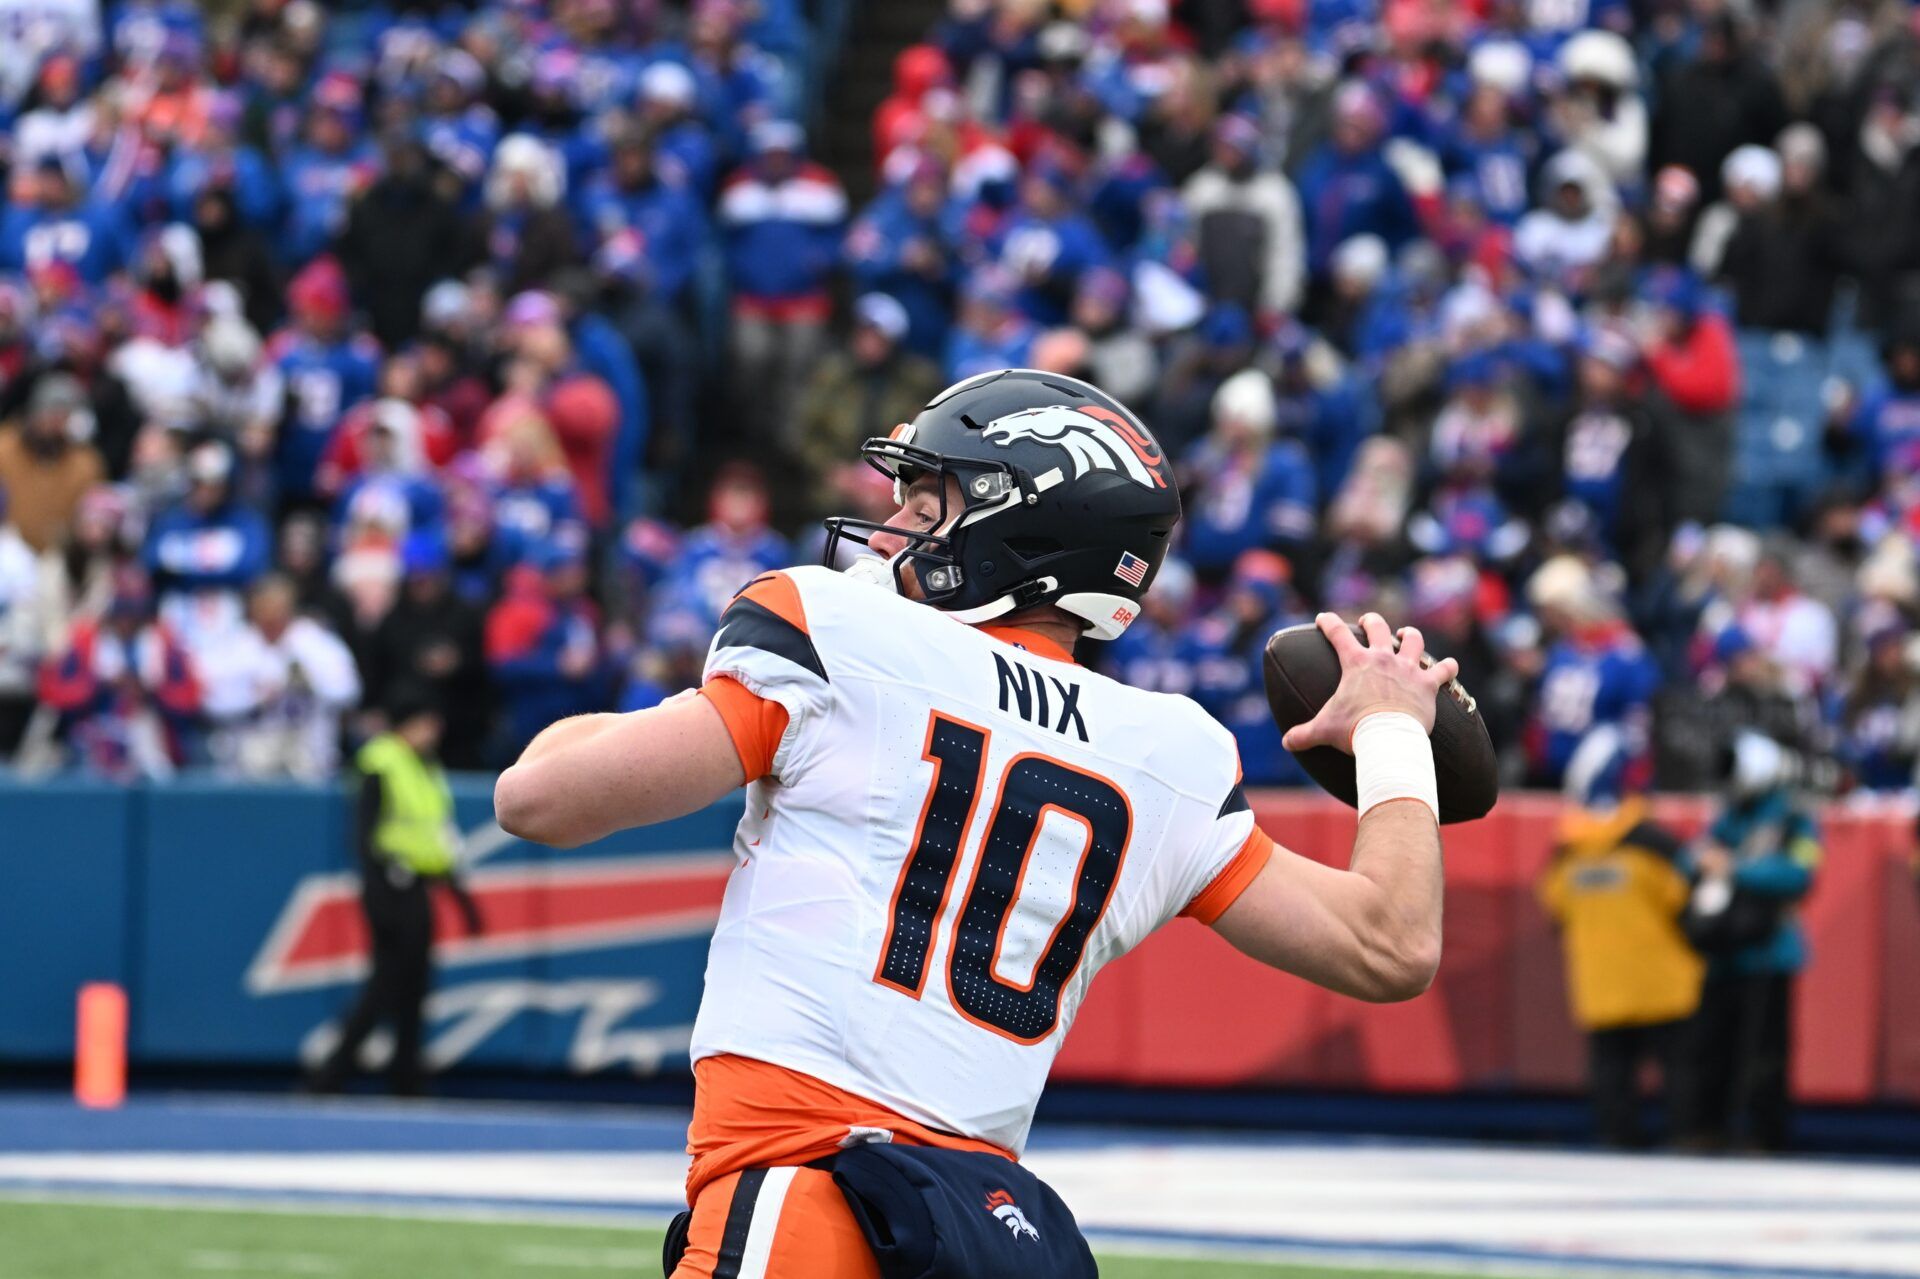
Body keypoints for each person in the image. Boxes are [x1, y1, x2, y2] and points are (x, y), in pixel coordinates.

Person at [496, 370, 1455, 1278]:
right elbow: (1389, 944)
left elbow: (538, 798)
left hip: (803, 1198)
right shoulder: (1169, 754)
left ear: (1018, 527)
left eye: (926, 506)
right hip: (977, 1233)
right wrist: (1391, 733)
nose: (888, 535)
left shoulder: (834, 633)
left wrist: (717, 694)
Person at [310, 686, 482, 1097]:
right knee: (385, 985)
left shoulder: (425, 766)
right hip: (390, 884)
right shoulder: (381, 761)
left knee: (415, 985)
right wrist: (380, 889)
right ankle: (330, 1077)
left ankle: (406, 1079)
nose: (434, 730)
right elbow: (364, 834)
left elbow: (438, 840)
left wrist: (463, 901)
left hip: (419, 887)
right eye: (427, 721)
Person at [1538, 727, 1702, 1149]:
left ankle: (1617, 1141)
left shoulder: (1566, 851)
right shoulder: (1655, 845)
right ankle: (1687, 1138)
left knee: (1611, 1072)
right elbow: (1688, 904)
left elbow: (1556, 908)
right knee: (1681, 1070)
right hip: (1662, 982)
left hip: (1600, 983)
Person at [1680, 732, 1822, 1153]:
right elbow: (1691, 857)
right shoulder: (1730, 813)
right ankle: (1707, 1130)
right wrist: (1703, 861)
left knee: (1765, 1055)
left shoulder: (1794, 817)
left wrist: (1734, 868)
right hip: (1723, 952)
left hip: (1769, 953)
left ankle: (1764, 1135)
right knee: (1710, 1051)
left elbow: (1800, 874)